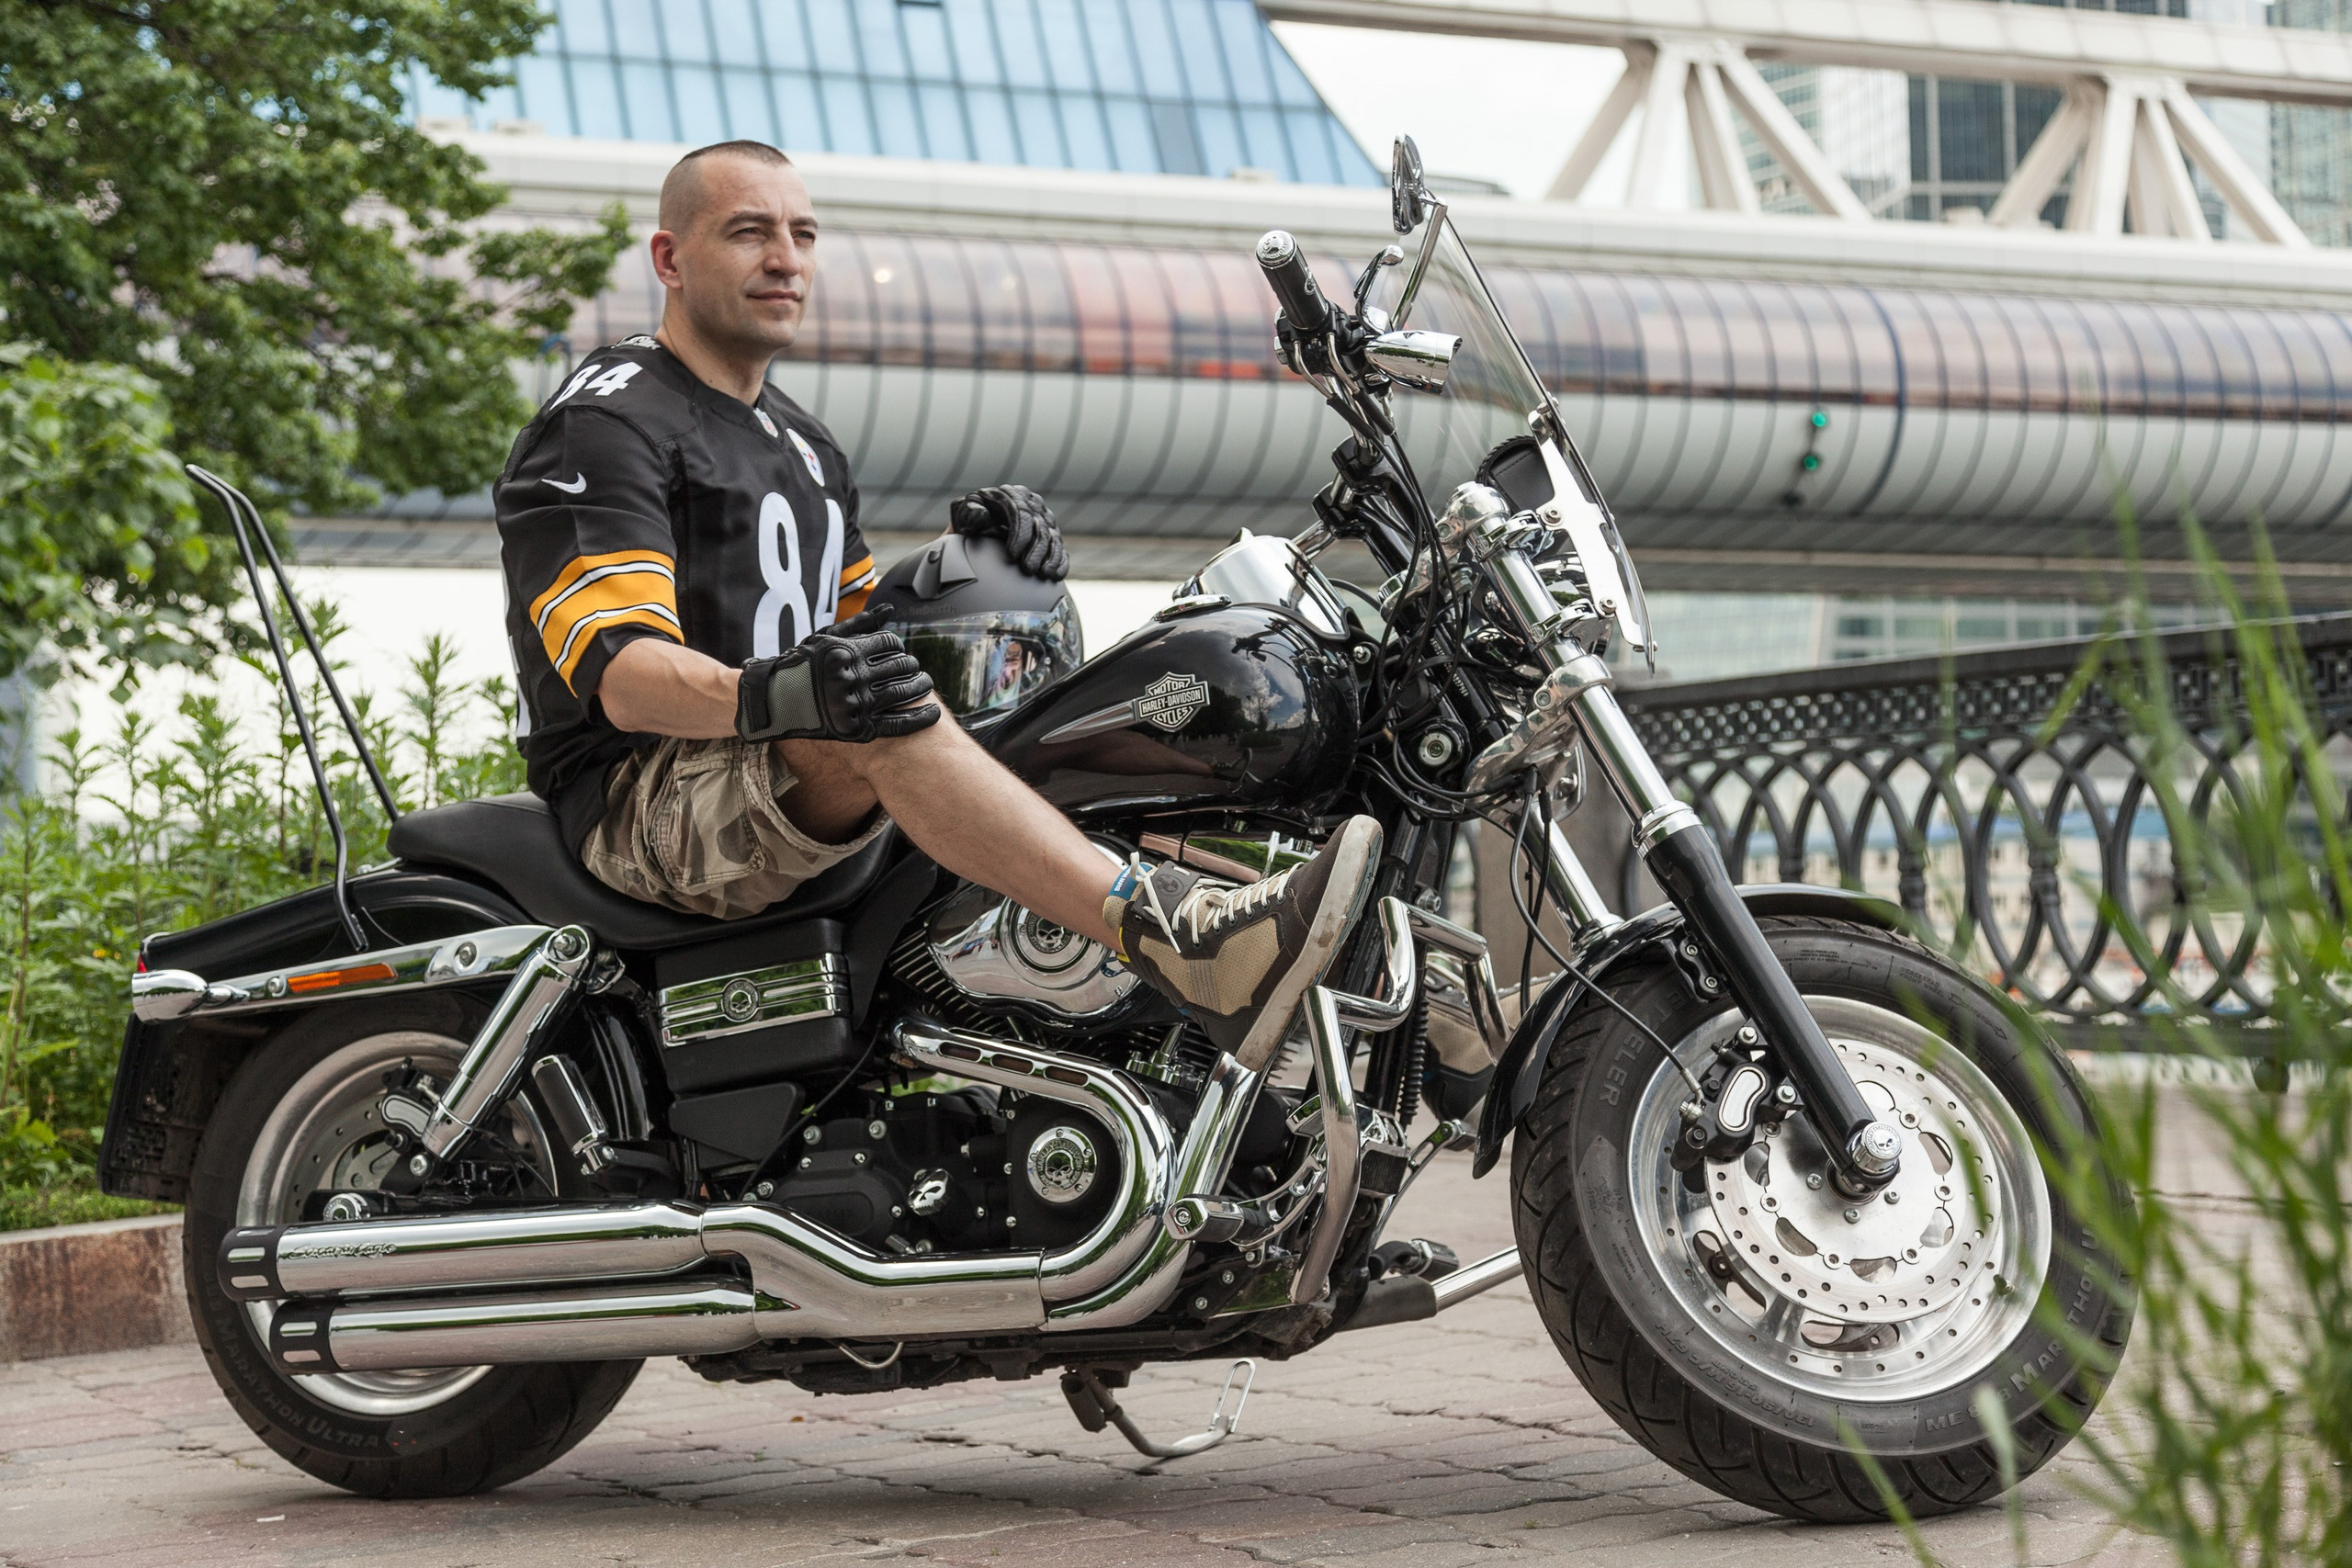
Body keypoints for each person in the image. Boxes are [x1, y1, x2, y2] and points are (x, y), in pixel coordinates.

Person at [493, 140, 1379, 1071]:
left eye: (801, 234)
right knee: (879, 724)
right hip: (645, 800)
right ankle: (1187, 944)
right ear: (669, 260)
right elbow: (628, 680)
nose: (785, 258)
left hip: (778, 773)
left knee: (1065, 740)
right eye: (748, 232)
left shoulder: (802, 445)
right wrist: (782, 699)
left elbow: (857, 635)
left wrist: (968, 566)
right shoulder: (608, 417)